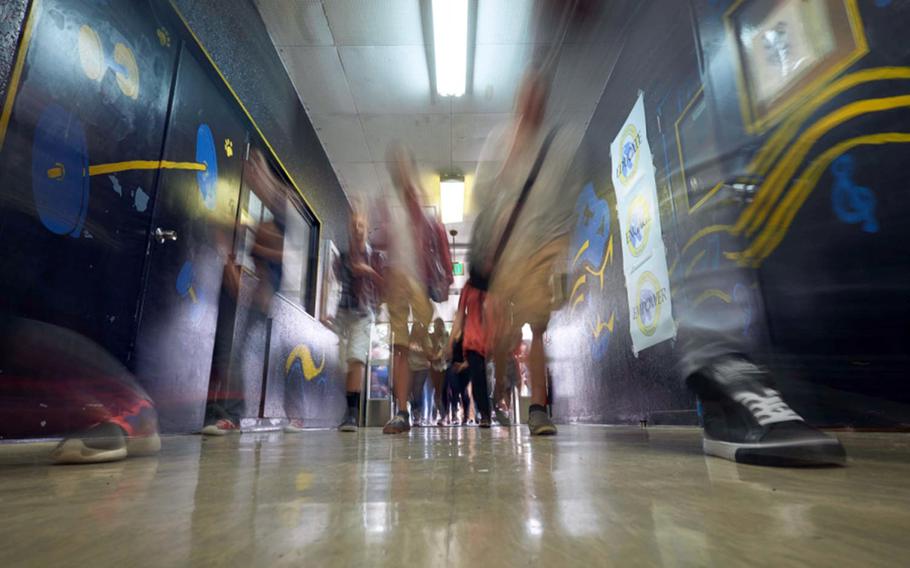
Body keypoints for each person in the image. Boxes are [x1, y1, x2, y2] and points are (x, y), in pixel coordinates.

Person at [469, 69, 584, 436]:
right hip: (505, 256)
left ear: (544, 101)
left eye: (539, 97)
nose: (532, 104)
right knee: (503, 335)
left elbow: (568, 201)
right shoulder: (500, 140)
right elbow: (481, 198)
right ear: (519, 100)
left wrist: (562, 251)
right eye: (527, 96)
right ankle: (501, 385)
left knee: (537, 327)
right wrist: (505, 166)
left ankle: (537, 407)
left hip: (540, 250)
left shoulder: (559, 144)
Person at [203, 149, 289, 435]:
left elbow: (278, 251)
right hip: (242, 292)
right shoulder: (260, 217)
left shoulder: (281, 210)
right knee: (227, 351)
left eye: (256, 170)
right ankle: (222, 412)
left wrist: (248, 237)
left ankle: (229, 414)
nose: (250, 174)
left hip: (257, 296)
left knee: (232, 352)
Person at [379, 144, 453, 434]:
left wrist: (445, 277)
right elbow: (380, 244)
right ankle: (401, 412)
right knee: (399, 348)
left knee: (419, 344)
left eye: (404, 166)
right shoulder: (386, 204)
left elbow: (436, 245)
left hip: (419, 284)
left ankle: (431, 402)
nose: (400, 172)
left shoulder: (420, 206)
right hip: (397, 281)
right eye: (396, 167)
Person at [335, 208, 384, 432]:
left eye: (361, 225)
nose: (357, 229)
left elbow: (384, 287)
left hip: (363, 315)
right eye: (353, 225)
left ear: (366, 229)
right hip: (343, 314)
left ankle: (352, 414)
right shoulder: (343, 256)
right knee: (342, 363)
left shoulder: (374, 257)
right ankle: (347, 410)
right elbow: (338, 280)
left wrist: (369, 272)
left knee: (356, 359)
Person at [450, 281, 492, 428]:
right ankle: (485, 413)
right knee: (478, 379)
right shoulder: (468, 287)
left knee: (486, 380)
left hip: (491, 339)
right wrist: (449, 343)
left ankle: (491, 407)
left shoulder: (493, 283)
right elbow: (460, 315)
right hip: (474, 342)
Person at [427, 317, 449, 425]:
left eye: (439, 325)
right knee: (437, 392)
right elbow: (430, 352)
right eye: (435, 325)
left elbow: (445, 351)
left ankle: (444, 416)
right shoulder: (431, 337)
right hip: (434, 368)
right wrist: (434, 357)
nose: (437, 327)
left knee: (441, 392)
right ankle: (441, 415)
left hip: (444, 368)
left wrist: (437, 356)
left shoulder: (446, 336)